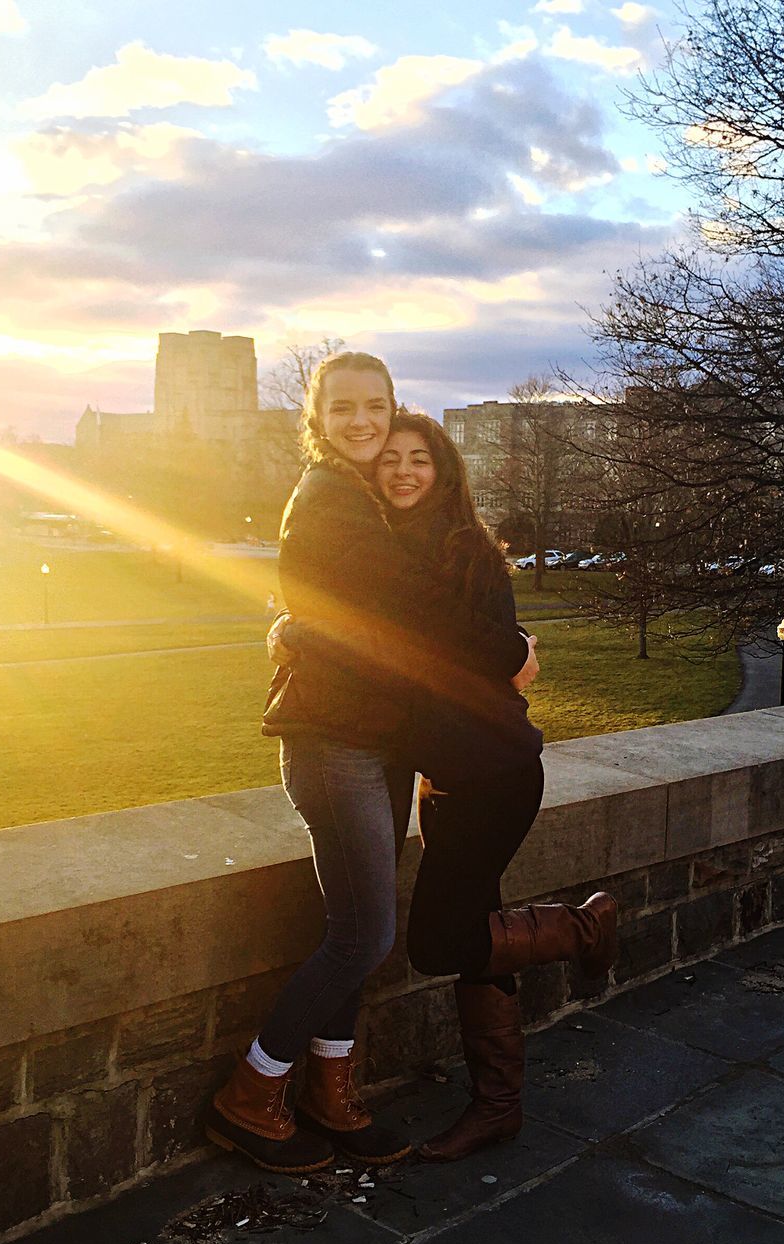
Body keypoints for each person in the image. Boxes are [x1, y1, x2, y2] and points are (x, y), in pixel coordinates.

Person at [205, 353, 535, 1174]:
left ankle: (331, 1094)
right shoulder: (329, 497)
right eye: (343, 407)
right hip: (333, 742)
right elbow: (411, 615)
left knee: (357, 926)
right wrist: (511, 650)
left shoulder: (359, 497)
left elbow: (352, 613)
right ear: (317, 416)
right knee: (365, 935)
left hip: (376, 741)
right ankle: (251, 1091)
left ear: (392, 410)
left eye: (376, 407)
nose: (362, 421)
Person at [373, 412, 617, 1162]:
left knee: (438, 940)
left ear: (445, 471)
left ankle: (583, 927)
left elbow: (477, 646)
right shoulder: (381, 548)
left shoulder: (465, 549)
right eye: (390, 460)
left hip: (496, 775)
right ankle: (497, 1107)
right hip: (444, 780)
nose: (405, 471)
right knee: (482, 939)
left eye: (420, 458)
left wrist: (513, 647)